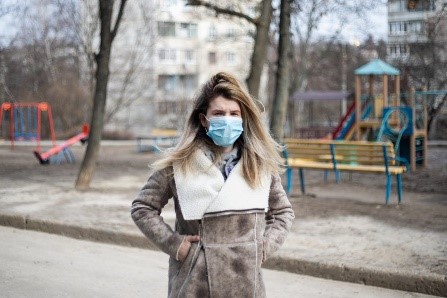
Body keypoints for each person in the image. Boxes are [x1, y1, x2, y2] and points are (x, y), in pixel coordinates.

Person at [131, 72, 294, 297]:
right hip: (194, 284)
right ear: (204, 119)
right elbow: (143, 208)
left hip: (245, 283)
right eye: (218, 113)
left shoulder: (259, 164)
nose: (227, 120)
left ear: (243, 118)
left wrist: (264, 246)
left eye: (234, 113)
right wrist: (175, 244)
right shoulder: (179, 163)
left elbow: (283, 212)